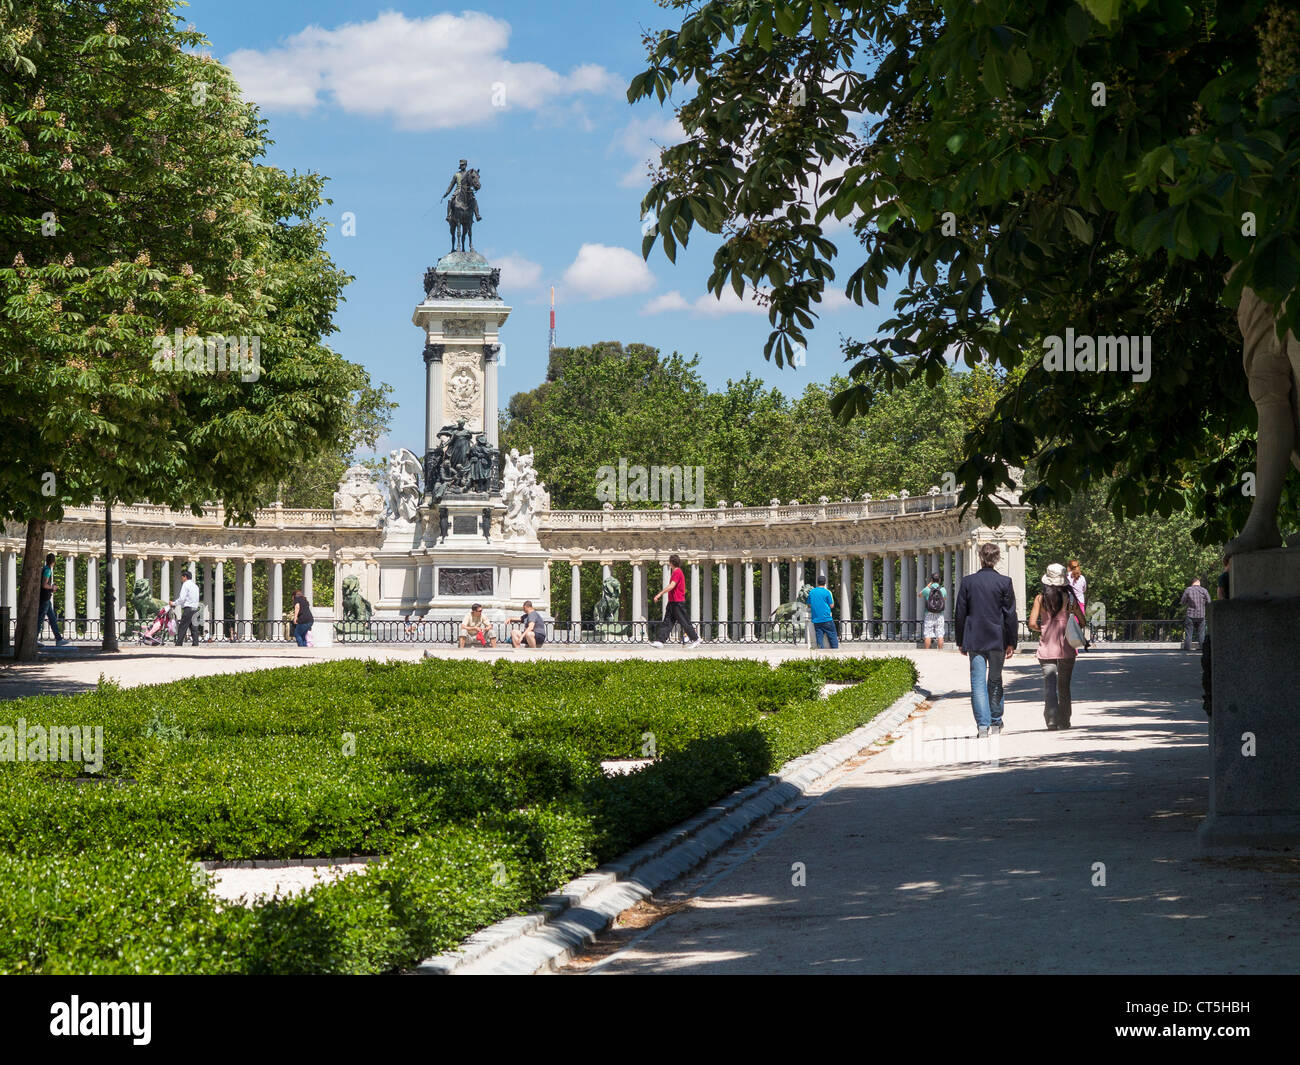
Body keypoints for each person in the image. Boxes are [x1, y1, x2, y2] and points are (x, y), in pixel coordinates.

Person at [954, 542, 1018, 737]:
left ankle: (983, 725)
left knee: (978, 682)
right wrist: (1011, 642)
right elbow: (1010, 615)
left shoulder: (968, 582)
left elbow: (960, 613)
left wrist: (960, 640)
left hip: (974, 638)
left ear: (981, 557)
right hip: (997, 638)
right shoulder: (1004, 582)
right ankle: (996, 721)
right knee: (995, 680)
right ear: (997, 559)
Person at [1028, 564, 1084, 730]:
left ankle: (1051, 720)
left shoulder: (1040, 599)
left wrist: (1042, 629)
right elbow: (1082, 621)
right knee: (1064, 686)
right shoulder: (1069, 598)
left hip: (1046, 647)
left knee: (1049, 685)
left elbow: (1031, 623)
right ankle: (1065, 720)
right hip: (1067, 647)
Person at [650, 553, 700, 648]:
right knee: (667, 622)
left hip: (678, 602)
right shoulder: (676, 572)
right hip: (673, 602)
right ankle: (660, 641)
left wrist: (659, 594)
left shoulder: (677, 572)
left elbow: (672, 585)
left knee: (684, 622)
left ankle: (696, 639)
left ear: (671, 563)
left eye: (669, 563)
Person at [38, 552, 66, 645]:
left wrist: (51, 587)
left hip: (46, 598)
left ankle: (59, 639)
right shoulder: (48, 570)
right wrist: (52, 587)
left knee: (53, 618)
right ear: (53, 561)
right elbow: (44, 585)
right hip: (45, 598)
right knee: (40, 619)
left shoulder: (45, 568)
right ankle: (33, 639)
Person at [807, 573, 838, 649]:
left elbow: (809, 604)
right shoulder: (827, 592)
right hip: (826, 619)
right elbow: (831, 605)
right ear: (825, 582)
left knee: (819, 639)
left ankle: (820, 655)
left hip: (816, 620)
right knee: (833, 637)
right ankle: (835, 653)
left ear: (817, 582)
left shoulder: (811, 592)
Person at [918, 570, 947, 649]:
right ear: (939, 580)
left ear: (931, 580)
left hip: (929, 613)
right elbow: (944, 599)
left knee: (928, 633)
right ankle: (940, 651)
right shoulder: (943, 589)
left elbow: (919, 595)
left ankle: (927, 651)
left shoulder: (927, 589)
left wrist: (927, 586)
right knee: (940, 633)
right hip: (940, 614)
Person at [1180, 577, 1210, 652]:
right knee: (1201, 633)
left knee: (1188, 633)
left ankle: (1187, 650)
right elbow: (1209, 602)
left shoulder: (1188, 590)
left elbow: (1182, 602)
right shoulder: (1204, 590)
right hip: (1201, 615)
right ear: (1198, 582)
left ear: (1192, 582)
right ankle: (1203, 650)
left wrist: (1188, 602)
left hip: (1190, 614)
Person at [171, 569, 200, 647]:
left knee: (182, 627)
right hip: (195, 608)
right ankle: (195, 644)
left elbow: (182, 598)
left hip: (188, 608)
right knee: (194, 628)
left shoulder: (185, 585)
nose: (181, 578)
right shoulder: (195, 586)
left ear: (185, 577)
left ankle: (179, 643)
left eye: (182, 577)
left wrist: (174, 603)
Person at [1067, 559, 1088, 649]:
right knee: (1079, 624)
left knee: (1069, 624)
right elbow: (1084, 589)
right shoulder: (1082, 577)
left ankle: (1069, 645)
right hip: (1080, 603)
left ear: (1069, 568)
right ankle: (1076, 644)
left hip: (1070, 603)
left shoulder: (1067, 577)